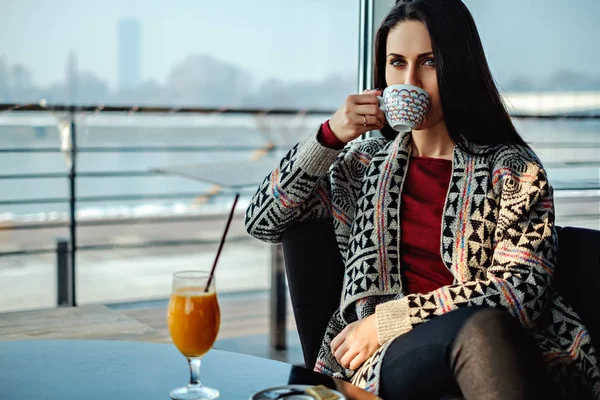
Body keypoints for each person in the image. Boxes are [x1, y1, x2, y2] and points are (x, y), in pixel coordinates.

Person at [244, 1, 599, 399]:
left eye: (428, 62)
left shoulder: (514, 169)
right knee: (480, 332)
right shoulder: (360, 167)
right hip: (385, 359)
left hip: (493, 346)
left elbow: (520, 292)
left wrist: (390, 319)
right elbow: (262, 220)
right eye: (397, 63)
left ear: (457, 68)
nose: (410, 81)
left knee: (482, 330)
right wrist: (329, 136)